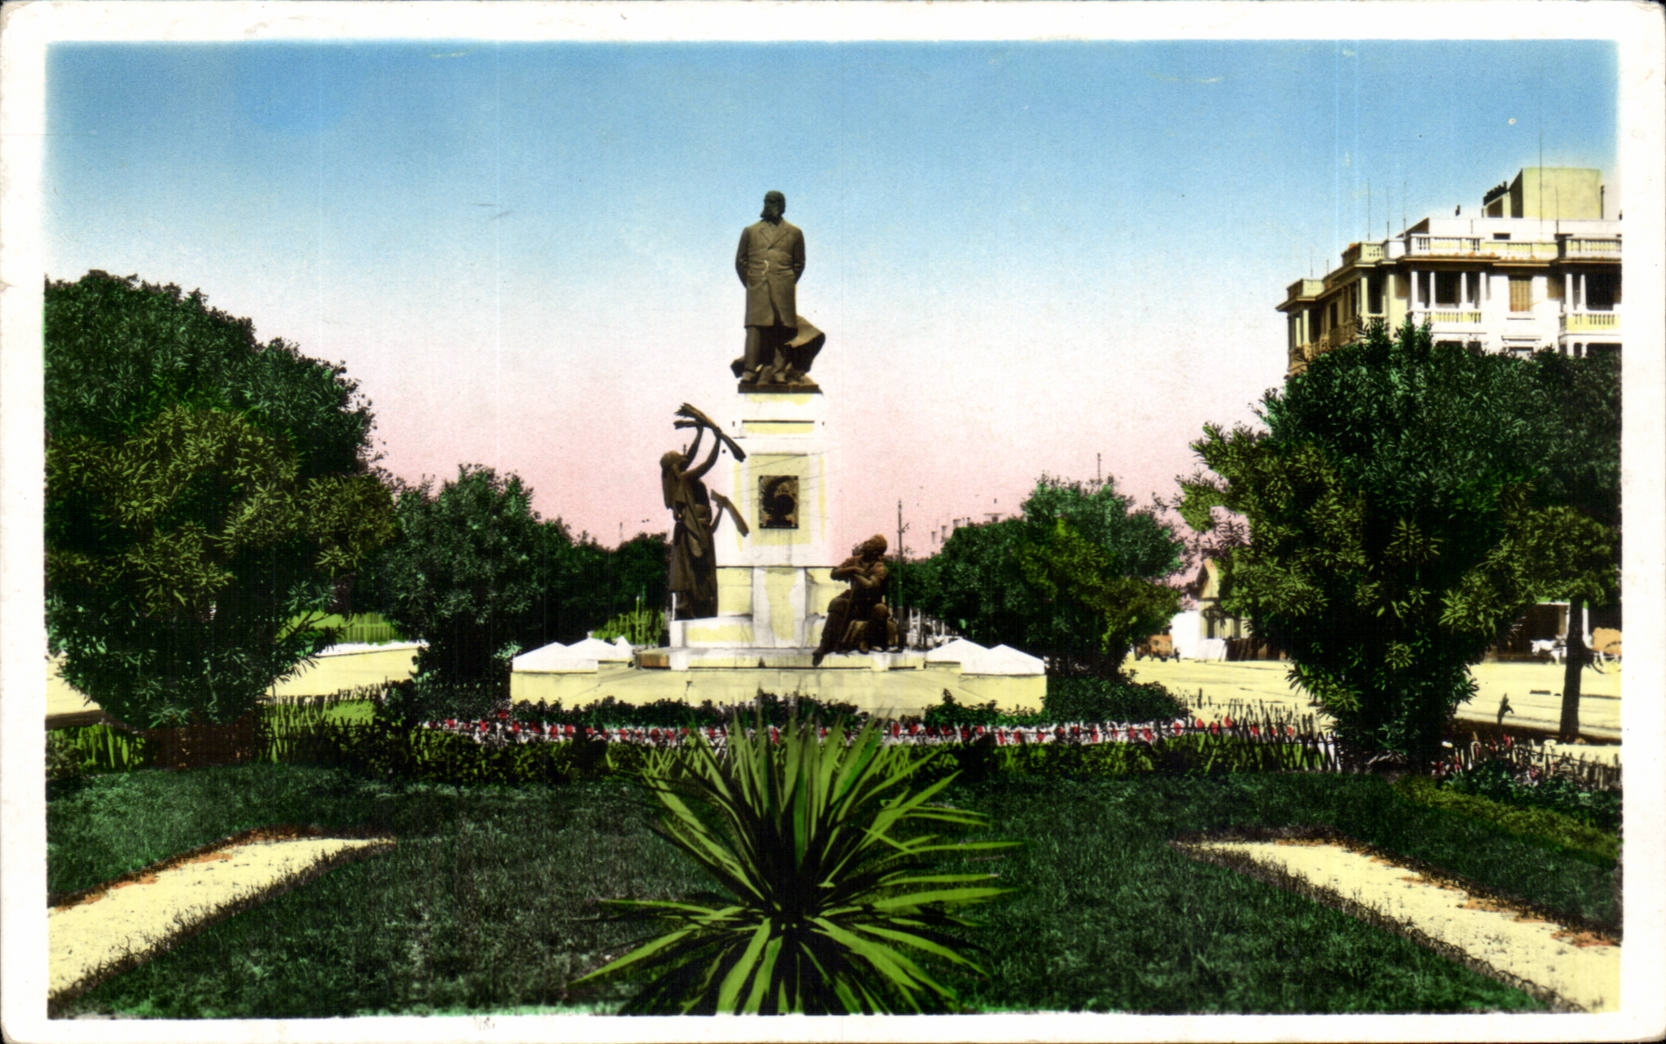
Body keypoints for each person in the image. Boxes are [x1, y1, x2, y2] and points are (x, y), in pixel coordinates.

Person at [660, 407, 747, 619]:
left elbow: (690, 455)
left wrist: (700, 432)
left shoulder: (678, 478)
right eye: (680, 460)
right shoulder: (684, 479)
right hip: (694, 533)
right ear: (674, 466)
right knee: (697, 575)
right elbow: (707, 463)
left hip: (698, 530)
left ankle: (697, 608)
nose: (685, 459)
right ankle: (694, 608)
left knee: (698, 576)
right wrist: (716, 440)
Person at [734, 191, 808, 385]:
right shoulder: (750, 231)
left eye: (774, 202)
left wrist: (785, 281)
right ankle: (749, 370)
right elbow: (740, 262)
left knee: (781, 328)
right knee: (754, 328)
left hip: (783, 287)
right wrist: (752, 283)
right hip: (757, 286)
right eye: (767, 201)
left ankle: (778, 371)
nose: (769, 205)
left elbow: (799, 263)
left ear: (782, 206)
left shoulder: (794, 233)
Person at [812, 535, 899, 665]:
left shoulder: (880, 567)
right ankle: (824, 644)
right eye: (867, 541)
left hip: (870, 605)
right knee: (837, 603)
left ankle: (866, 640)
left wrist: (855, 574)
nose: (865, 543)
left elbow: (869, 585)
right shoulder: (854, 561)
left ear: (875, 552)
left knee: (880, 609)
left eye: (870, 543)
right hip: (854, 602)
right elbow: (834, 573)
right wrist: (852, 569)